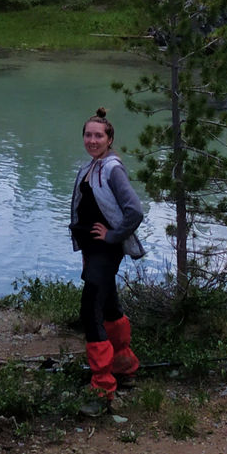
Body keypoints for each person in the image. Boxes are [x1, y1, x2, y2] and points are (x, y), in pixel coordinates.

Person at [69, 107, 144, 413]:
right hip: (93, 250)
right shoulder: (90, 166)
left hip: (105, 250)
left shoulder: (112, 168)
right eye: (88, 134)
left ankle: (102, 388)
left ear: (110, 138)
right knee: (109, 305)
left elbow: (134, 211)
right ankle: (124, 367)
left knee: (90, 308)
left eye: (98, 135)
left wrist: (113, 236)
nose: (92, 139)